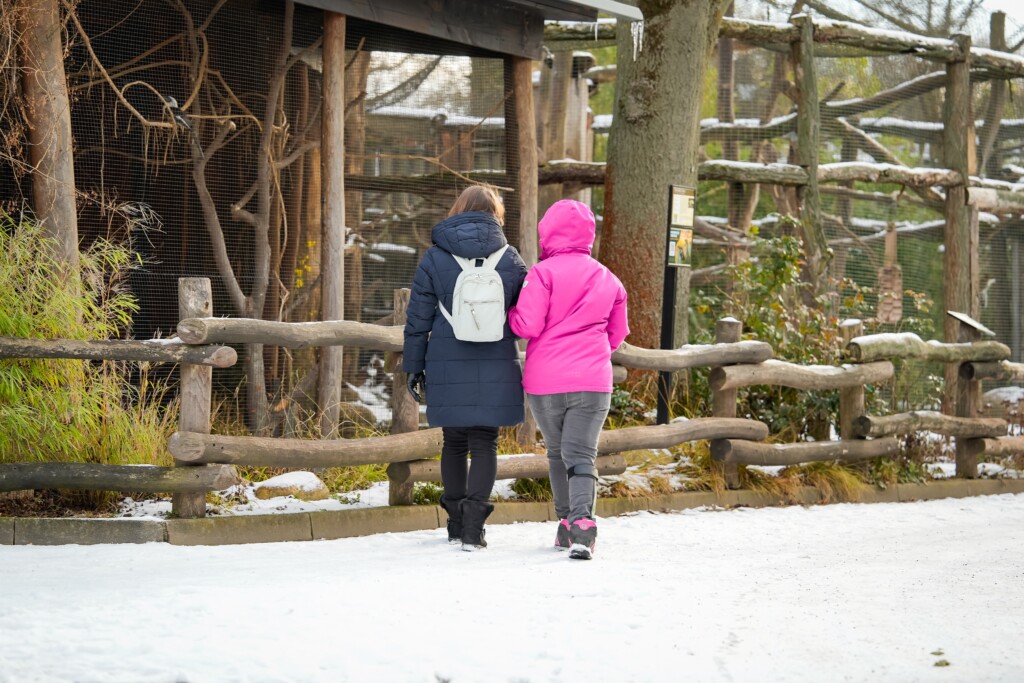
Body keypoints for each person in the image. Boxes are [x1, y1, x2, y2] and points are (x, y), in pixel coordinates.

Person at [403, 185, 528, 551]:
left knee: (454, 441)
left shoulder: (435, 257)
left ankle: (456, 523)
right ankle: (474, 528)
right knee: (485, 441)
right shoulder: (510, 258)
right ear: (495, 215)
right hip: (496, 359)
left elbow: (417, 319)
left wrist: (413, 366)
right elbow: (524, 314)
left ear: (458, 210)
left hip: (446, 358)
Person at [508, 199, 628, 560]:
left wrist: (511, 314)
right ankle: (582, 526)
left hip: (545, 382)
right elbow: (617, 333)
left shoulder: (541, 274)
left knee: (558, 452)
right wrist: (592, 354)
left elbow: (527, 325)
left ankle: (566, 523)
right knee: (581, 454)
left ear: (547, 233)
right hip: (592, 381)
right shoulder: (608, 277)